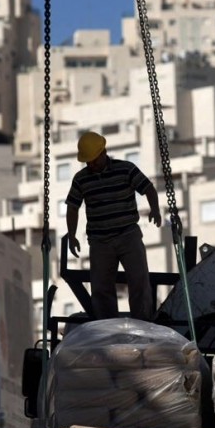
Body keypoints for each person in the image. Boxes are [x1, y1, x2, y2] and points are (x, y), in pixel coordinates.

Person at [65, 131, 162, 320]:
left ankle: (142, 322)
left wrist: (155, 210)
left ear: (103, 152)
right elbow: (72, 207)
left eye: (93, 160)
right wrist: (71, 235)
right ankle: (107, 325)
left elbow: (148, 188)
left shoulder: (126, 169)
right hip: (100, 241)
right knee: (101, 287)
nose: (91, 164)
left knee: (139, 281)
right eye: (88, 161)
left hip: (128, 235)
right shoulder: (80, 179)